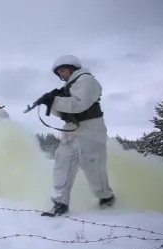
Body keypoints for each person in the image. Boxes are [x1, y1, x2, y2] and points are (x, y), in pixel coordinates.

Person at [36, 54, 116, 216]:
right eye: (59, 72)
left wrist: (55, 100)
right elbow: (63, 112)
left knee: (94, 168)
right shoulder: (70, 87)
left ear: (73, 68)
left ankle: (106, 198)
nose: (62, 75)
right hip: (72, 129)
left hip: (91, 129)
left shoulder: (86, 80)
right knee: (62, 164)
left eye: (63, 70)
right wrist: (49, 102)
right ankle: (60, 202)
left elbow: (79, 104)